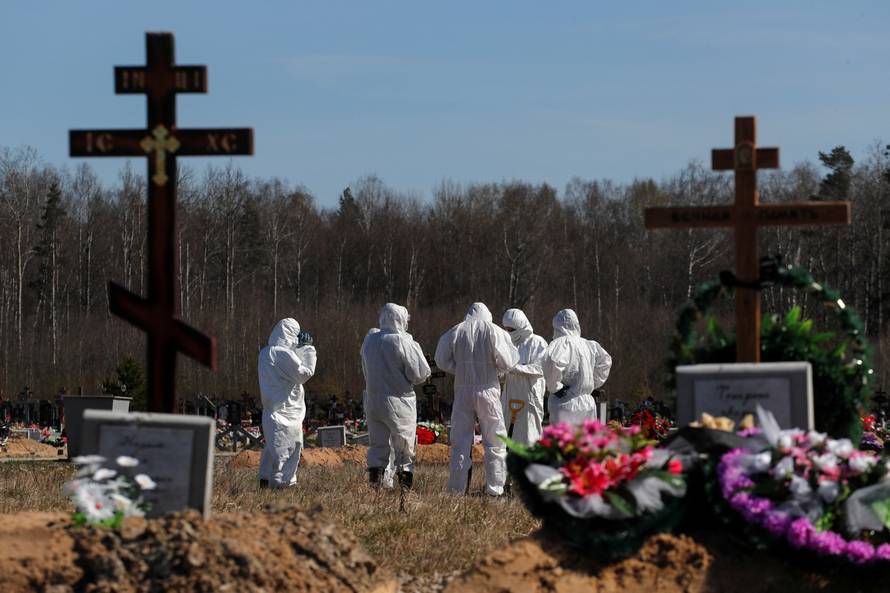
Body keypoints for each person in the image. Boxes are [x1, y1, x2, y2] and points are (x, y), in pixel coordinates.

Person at [436, 302, 519, 496]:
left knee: (460, 443)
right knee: (495, 442)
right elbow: (508, 360)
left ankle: (457, 490)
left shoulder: (457, 330)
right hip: (488, 389)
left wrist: (458, 369)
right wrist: (496, 370)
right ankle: (495, 489)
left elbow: (441, 359)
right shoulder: (494, 331)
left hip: (463, 390)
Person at [361, 303, 431, 490]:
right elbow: (419, 373)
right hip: (399, 401)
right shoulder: (402, 341)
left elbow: (365, 369)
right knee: (404, 447)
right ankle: (404, 489)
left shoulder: (370, 340)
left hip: (374, 399)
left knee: (377, 445)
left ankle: (376, 485)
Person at [257, 318, 317, 488]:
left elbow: (290, 367)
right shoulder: (282, 354)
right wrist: (307, 348)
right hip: (286, 411)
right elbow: (304, 373)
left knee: (273, 448)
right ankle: (281, 484)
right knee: (287, 448)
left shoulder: (266, 352)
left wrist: (296, 350)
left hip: (273, 410)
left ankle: (265, 479)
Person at [543, 309, 612, 426]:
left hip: (565, 402)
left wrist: (555, 387)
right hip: (587, 403)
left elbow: (552, 362)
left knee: (565, 441)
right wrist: (592, 383)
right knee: (585, 441)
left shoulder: (561, 343)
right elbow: (605, 362)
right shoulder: (589, 344)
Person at [501, 308, 548, 445]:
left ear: (520, 326)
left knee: (529, 435)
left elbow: (540, 368)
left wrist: (514, 368)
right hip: (510, 397)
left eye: (511, 329)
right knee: (506, 437)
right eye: (506, 329)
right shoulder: (507, 343)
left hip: (529, 398)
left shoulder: (537, 342)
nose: (509, 332)